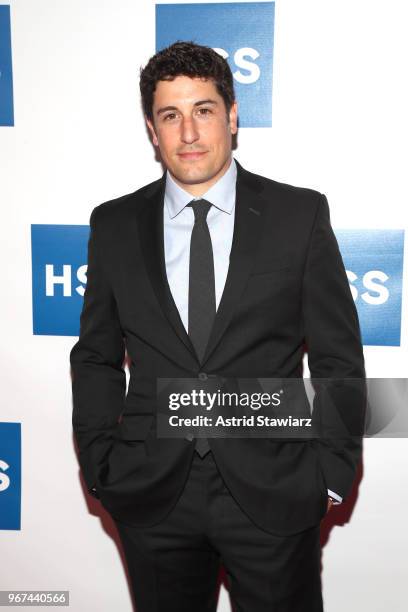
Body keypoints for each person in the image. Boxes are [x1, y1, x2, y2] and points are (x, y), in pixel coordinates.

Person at [70, 41, 365, 611]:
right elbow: (96, 358)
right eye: (170, 115)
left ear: (231, 116)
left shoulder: (298, 215)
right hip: (152, 495)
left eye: (203, 110)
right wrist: (101, 465)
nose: (188, 134)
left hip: (275, 490)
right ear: (152, 130)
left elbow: (338, 358)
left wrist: (329, 473)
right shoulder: (114, 224)